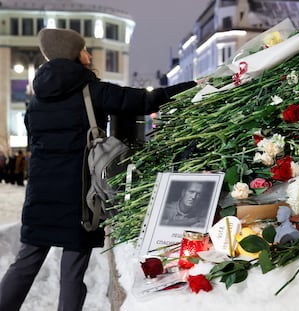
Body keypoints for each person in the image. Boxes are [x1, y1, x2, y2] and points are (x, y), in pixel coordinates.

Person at [0, 28, 196, 311]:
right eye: (83, 50)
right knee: (71, 273)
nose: (88, 55)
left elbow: (35, 141)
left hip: (40, 193)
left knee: (25, 263)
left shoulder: (37, 97)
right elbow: (144, 100)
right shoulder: (91, 91)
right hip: (79, 195)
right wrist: (192, 86)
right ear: (72, 54)